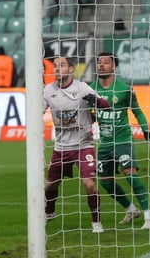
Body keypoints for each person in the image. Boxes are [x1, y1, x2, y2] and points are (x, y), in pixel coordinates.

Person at [90, 52, 150, 229]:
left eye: (106, 62)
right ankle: (130, 209)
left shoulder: (124, 88)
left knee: (130, 173)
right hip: (104, 143)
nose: (101, 65)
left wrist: (145, 129)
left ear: (114, 66)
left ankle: (149, 217)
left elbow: (137, 111)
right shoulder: (90, 89)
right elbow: (89, 115)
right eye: (99, 62)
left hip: (123, 140)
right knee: (105, 181)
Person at [43, 56, 110, 233]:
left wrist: (93, 100)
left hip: (83, 144)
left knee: (89, 184)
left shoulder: (81, 87)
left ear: (71, 69)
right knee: (50, 185)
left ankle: (96, 222)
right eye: (55, 65)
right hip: (61, 147)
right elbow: (38, 111)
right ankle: (49, 212)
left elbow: (106, 105)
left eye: (62, 65)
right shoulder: (48, 90)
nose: (57, 68)